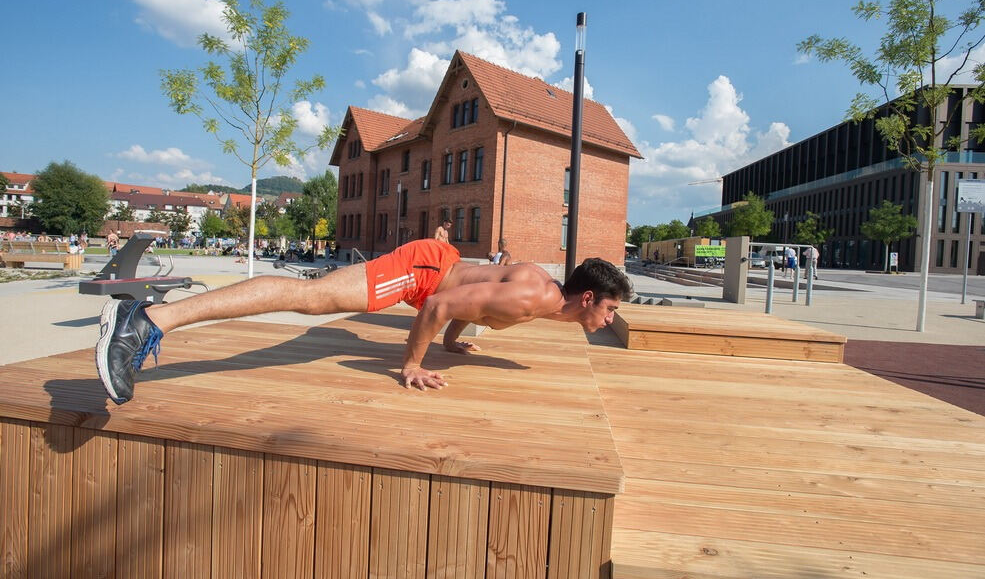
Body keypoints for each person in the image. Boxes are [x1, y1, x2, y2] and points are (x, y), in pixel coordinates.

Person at [95, 238, 631, 404]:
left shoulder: (542, 293)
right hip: (424, 271)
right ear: (587, 298)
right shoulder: (533, 299)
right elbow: (442, 303)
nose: (609, 320)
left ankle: (149, 318)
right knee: (311, 299)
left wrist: (451, 340)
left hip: (437, 269)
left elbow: (471, 302)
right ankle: (146, 319)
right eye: (609, 309)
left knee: (313, 297)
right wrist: (413, 364)